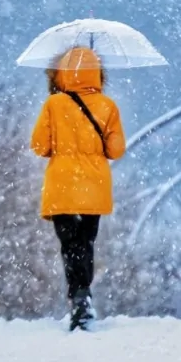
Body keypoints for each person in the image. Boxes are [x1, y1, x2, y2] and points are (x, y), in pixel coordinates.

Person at [30, 46, 126, 331]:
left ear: (61, 73)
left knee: (70, 245)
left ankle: (79, 297)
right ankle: (83, 296)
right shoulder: (107, 106)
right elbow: (116, 149)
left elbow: (39, 146)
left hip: (62, 186)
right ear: (97, 74)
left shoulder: (54, 104)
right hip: (94, 186)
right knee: (86, 243)